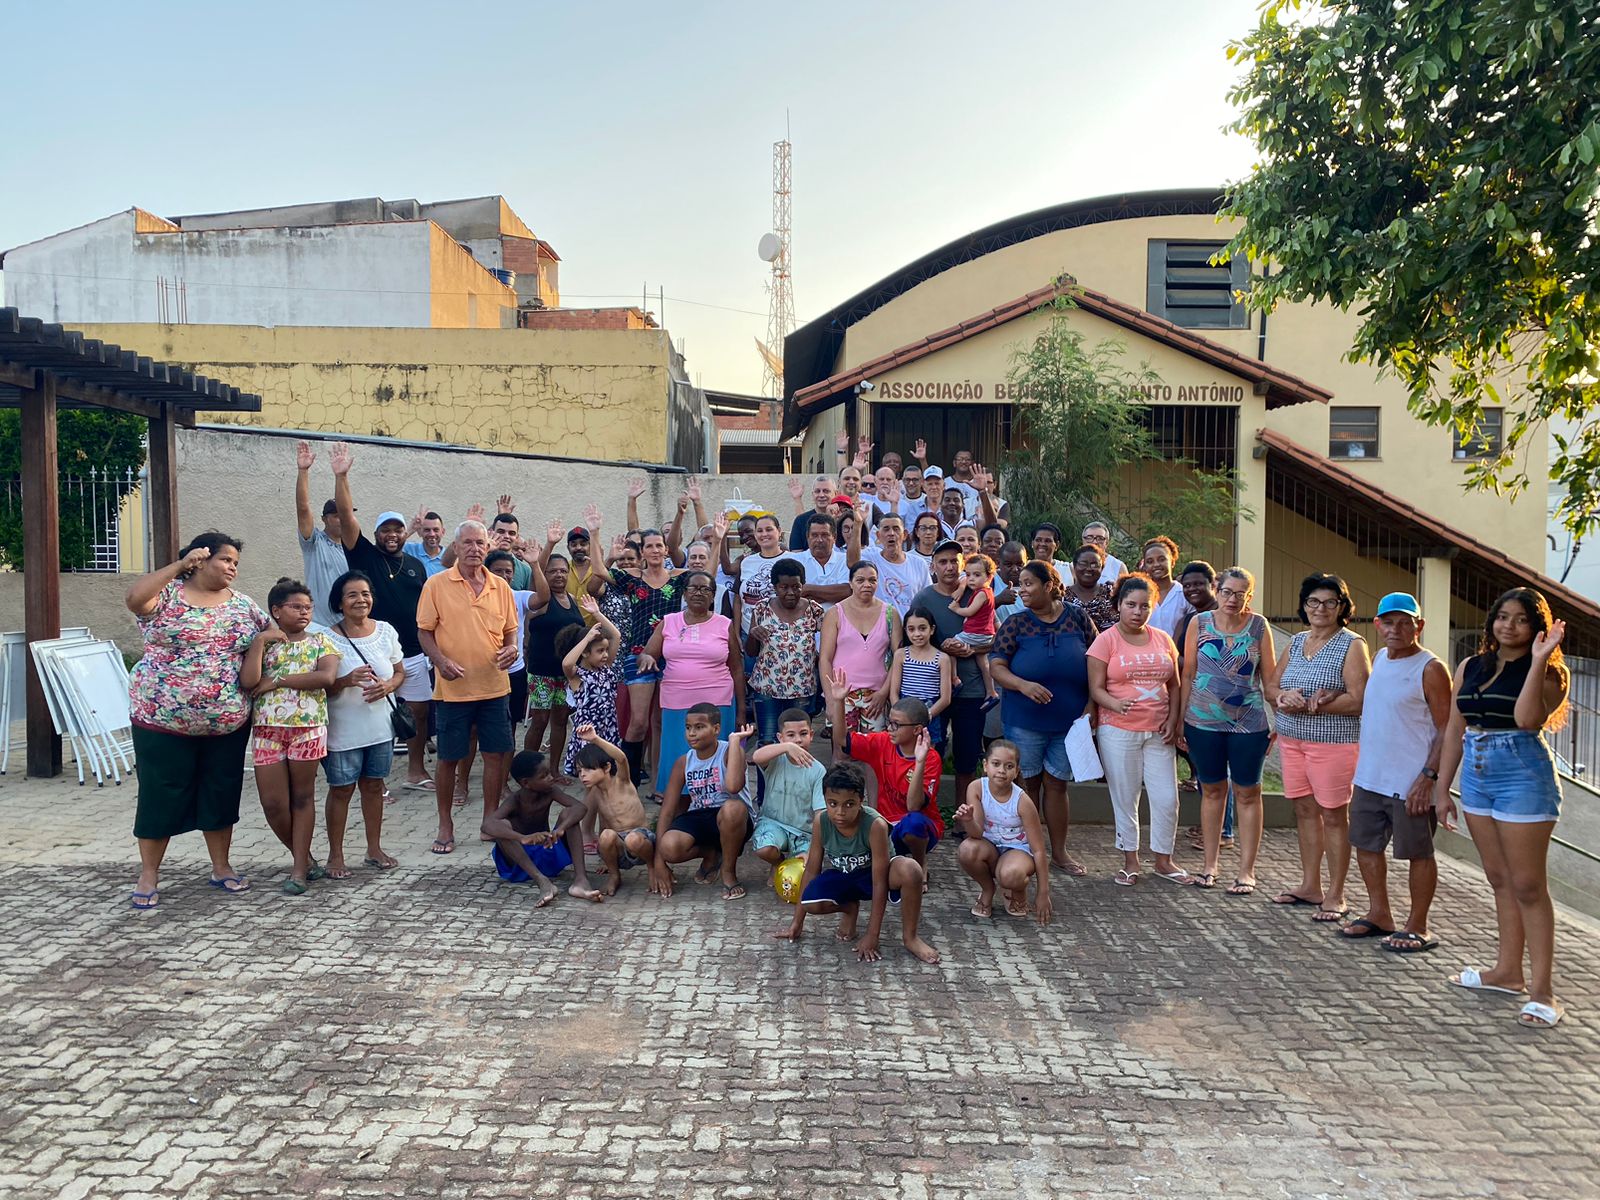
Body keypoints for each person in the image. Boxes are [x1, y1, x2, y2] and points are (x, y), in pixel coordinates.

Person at [1436, 588, 1570, 1028]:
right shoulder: (1471, 666)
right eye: (1502, 616)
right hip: (1476, 774)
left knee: (1528, 885)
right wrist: (1442, 789)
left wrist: (1536, 660)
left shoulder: (1550, 673)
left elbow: (1528, 720)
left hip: (1522, 774)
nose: (1508, 626)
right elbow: (1456, 727)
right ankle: (1507, 973)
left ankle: (1543, 991)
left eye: (1520, 619)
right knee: (1498, 879)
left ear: (1537, 627)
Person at [126, 533, 269, 909]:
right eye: (225, 560)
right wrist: (177, 566)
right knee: (160, 794)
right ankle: (149, 873)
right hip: (161, 721)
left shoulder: (243, 607)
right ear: (200, 559)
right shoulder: (168, 596)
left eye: (236, 563)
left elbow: (273, 635)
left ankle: (221, 867)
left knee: (220, 792)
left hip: (226, 724)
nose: (232, 568)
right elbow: (134, 599)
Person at [1344, 592, 1450, 950]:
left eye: (1406, 622)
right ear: (1377, 625)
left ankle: (1418, 926)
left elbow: (1447, 729)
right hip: (1370, 776)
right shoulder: (1379, 658)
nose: (1396, 629)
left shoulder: (1430, 668)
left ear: (1419, 626)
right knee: (1365, 845)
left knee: (1418, 852)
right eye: (1389, 622)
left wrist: (1427, 778)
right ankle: (1379, 915)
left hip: (1411, 783)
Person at [330, 444, 433, 794]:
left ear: (406, 534)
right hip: (370, 648)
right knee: (371, 713)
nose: (392, 535)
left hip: (413, 652)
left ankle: (415, 771)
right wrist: (342, 476)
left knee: (417, 715)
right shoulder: (364, 556)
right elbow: (346, 517)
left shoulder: (417, 565)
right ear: (376, 534)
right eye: (386, 530)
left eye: (398, 530)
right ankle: (376, 782)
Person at [1267, 573, 1370, 921]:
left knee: (1334, 816)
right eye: (1313, 601)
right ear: (1304, 605)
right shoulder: (1296, 642)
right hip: (1292, 739)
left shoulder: (1352, 644)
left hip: (1333, 744)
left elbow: (1359, 700)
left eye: (1329, 602)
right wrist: (1284, 697)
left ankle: (1337, 893)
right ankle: (1311, 886)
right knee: (1305, 812)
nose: (1321, 608)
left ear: (1342, 607)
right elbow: (1271, 686)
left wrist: (1316, 704)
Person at [415, 518, 520, 855]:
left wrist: (512, 647)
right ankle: (445, 824)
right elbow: (424, 632)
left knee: (494, 756)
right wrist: (440, 661)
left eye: (480, 543)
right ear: (456, 547)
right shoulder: (436, 584)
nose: (475, 549)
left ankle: (490, 820)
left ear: (488, 548)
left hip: (494, 687)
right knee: (448, 757)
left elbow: (510, 632)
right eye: (468, 543)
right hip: (453, 690)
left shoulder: (500, 587)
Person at [774, 762, 941, 964]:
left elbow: (879, 881)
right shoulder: (822, 821)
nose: (840, 812)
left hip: (878, 875)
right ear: (824, 800)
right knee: (812, 902)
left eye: (849, 804)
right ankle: (850, 908)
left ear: (861, 801)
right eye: (833, 803)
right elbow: (811, 870)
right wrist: (796, 923)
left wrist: (872, 935)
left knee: (911, 870)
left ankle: (911, 938)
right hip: (845, 874)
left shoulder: (874, 825)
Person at [989, 560, 1095, 874]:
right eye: (1019, 584)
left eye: (1027, 584)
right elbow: (996, 666)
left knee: (1058, 785)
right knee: (1027, 784)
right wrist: (1023, 685)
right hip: (1024, 721)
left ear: (1048, 585)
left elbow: (1098, 661)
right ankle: (1030, 851)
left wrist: (1092, 707)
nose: (1021, 590)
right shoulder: (1016, 624)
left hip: (1069, 721)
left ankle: (1059, 853)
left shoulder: (1077, 618)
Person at [1177, 567, 1277, 892]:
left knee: (1248, 793)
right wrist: (1180, 719)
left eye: (1240, 594)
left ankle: (1247, 871)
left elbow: (1270, 680)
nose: (1232, 599)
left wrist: (1279, 723)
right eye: (1227, 592)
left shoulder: (1259, 626)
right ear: (1217, 590)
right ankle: (1209, 865)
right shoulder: (1199, 623)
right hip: (1202, 722)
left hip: (1248, 724)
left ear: (1250, 595)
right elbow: (1188, 674)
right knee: (1212, 790)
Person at [241, 578, 341, 895]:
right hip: (267, 730)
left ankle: (298, 869)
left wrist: (279, 680)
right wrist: (259, 642)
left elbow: (325, 677)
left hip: (307, 729)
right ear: (276, 610)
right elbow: (249, 680)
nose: (304, 613)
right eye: (295, 607)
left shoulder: (322, 642)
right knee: (273, 804)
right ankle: (306, 859)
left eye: (308, 608)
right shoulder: (264, 644)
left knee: (302, 798)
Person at [1087, 574, 1187, 886]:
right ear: (1119, 605)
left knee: (1167, 797)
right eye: (1131, 605)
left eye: (1145, 606)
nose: (1138, 612)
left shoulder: (1163, 639)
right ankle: (1130, 860)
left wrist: (1173, 720)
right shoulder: (1106, 641)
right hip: (1118, 731)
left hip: (1159, 732)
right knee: (1126, 797)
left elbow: (1175, 684)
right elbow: (1095, 688)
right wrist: (1114, 705)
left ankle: (1163, 860)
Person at [323, 570, 404, 878]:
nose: (361, 600)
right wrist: (346, 680)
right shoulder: (327, 637)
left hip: (381, 726)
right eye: (352, 595)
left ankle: (374, 848)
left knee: (373, 787)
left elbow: (399, 672)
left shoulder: (385, 631)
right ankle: (336, 855)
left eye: (366, 593)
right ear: (339, 603)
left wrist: (388, 686)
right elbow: (324, 686)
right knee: (341, 790)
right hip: (343, 729)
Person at [595, 524, 687, 795]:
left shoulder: (678, 578)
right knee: (638, 724)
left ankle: (660, 785)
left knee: (660, 723)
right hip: (637, 655)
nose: (655, 550)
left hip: (670, 656)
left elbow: (705, 574)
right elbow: (600, 571)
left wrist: (717, 542)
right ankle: (628, 784)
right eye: (650, 546)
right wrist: (595, 532)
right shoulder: (632, 578)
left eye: (659, 545)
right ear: (643, 552)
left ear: (666, 550)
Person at [823, 667, 943, 873]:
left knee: (913, 823)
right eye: (889, 723)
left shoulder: (930, 758)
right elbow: (842, 740)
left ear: (916, 730)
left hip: (919, 825)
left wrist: (920, 762)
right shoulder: (882, 742)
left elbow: (914, 806)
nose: (890, 729)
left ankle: (919, 863)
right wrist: (839, 701)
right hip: (884, 822)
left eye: (897, 725)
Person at [639, 570, 745, 795]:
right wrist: (647, 658)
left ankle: (715, 797)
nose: (699, 593)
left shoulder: (724, 624)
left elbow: (736, 668)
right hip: (677, 700)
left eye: (705, 589)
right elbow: (648, 652)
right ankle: (676, 795)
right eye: (693, 588)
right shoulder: (668, 622)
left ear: (713, 595)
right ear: (684, 594)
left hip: (717, 701)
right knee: (677, 751)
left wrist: (742, 710)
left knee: (715, 755)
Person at [911, 540, 988, 810]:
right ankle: (928, 814)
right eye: (942, 562)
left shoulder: (977, 594)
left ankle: (962, 816)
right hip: (933, 691)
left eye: (954, 561)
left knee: (967, 757)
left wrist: (971, 647)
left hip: (972, 688)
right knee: (932, 753)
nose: (949, 567)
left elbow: (994, 636)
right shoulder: (923, 598)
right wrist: (942, 647)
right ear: (933, 566)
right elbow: (914, 639)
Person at [650, 707, 758, 900]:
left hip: (733, 818)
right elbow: (667, 811)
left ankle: (729, 872)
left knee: (732, 808)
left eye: (699, 727)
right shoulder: (683, 762)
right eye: (688, 727)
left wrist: (735, 741)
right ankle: (711, 853)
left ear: (716, 729)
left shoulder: (731, 751)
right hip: (700, 815)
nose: (692, 733)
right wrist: (659, 861)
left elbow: (733, 787)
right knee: (668, 847)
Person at [482, 749, 602, 905]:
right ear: (526, 783)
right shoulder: (515, 800)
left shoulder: (551, 792)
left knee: (569, 816)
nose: (551, 778)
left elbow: (580, 808)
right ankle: (542, 881)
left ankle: (580, 880)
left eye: (550, 773)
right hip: (520, 863)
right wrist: (522, 838)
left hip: (547, 852)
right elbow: (487, 825)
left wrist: (560, 829)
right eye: (544, 776)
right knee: (501, 827)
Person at [954, 739, 1052, 921]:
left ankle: (1017, 889)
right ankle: (988, 889)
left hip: (1018, 851)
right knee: (967, 849)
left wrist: (1043, 893)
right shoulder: (976, 788)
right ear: (985, 765)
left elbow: (1038, 850)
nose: (1001, 771)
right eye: (996, 764)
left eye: (1008, 766)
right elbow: (976, 834)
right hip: (989, 847)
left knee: (1009, 875)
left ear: (1016, 771)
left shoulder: (1023, 801)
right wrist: (967, 821)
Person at [745, 559, 825, 745]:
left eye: (796, 587)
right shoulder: (762, 609)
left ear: (802, 585)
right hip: (767, 689)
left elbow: (826, 646)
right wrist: (753, 635)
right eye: (783, 587)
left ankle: (796, 775)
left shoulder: (814, 610)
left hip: (802, 689)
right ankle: (767, 776)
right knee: (767, 741)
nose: (790, 592)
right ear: (774, 587)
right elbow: (750, 652)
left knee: (797, 743)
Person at [573, 726, 659, 894]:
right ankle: (614, 875)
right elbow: (604, 824)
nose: (582, 775)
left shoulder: (622, 781)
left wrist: (595, 739)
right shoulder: (595, 793)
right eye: (579, 771)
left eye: (588, 769)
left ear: (606, 768)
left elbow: (621, 759)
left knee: (633, 839)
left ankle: (653, 867)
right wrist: (606, 858)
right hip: (620, 845)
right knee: (605, 836)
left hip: (641, 840)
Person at [819, 561, 901, 735]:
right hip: (842, 693)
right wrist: (830, 699)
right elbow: (825, 658)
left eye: (872, 580)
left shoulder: (890, 613)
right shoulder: (835, 613)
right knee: (842, 750)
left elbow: (898, 657)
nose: (867, 585)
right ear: (850, 583)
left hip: (876, 695)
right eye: (860, 580)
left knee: (872, 752)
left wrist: (884, 692)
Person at [523, 546, 585, 756]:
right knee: (539, 720)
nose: (559, 574)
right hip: (542, 672)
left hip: (565, 673)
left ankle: (554, 770)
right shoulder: (540, 600)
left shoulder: (573, 601)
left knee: (560, 720)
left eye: (563, 571)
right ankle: (529, 769)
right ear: (545, 574)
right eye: (553, 571)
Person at [748, 708, 827, 872]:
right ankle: (778, 864)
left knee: (806, 871)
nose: (797, 740)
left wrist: (814, 849)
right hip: (773, 823)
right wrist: (786, 747)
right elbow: (756, 757)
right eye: (791, 735)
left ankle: (797, 857)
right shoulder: (776, 759)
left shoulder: (818, 770)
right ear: (780, 737)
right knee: (764, 849)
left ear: (811, 735)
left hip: (804, 832)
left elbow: (820, 813)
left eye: (803, 734)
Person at [556, 596, 623, 775]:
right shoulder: (578, 675)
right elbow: (566, 664)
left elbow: (616, 635)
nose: (605, 655)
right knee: (592, 774)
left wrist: (597, 614)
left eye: (606, 650)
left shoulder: (606, 668)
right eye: (600, 651)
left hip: (609, 728)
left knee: (608, 773)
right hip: (589, 732)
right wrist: (586, 639)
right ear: (585, 653)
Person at [293, 441, 348, 628]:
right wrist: (303, 471)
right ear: (324, 519)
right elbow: (303, 508)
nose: (341, 519)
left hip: (348, 630)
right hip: (318, 627)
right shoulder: (314, 543)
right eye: (335, 515)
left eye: (344, 515)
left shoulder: (354, 549)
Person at [847, 509, 930, 619]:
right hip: (877, 630)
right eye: (886, 529)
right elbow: (852, 563)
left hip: (909, 631)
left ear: (904, 534)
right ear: (878, 535)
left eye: (896, 529)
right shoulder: (871, 558)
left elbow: (927, 599)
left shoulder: (919, 564)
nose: (891, 533)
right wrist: (858, 524)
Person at [891, 607, 954, 749]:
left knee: (927, 752)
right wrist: (899, 714)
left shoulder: (942, 658)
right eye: (911, 629)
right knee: (902, 751)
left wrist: (927, 715)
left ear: (931, 630)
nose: (917, 634)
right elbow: (894, 691)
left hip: (930, 710)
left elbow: (945, 698)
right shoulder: (901, 655)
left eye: (922, 628)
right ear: (905, 631)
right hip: (904, 710)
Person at [945, 552, 998, 700]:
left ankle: (954, 678)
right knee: (983, 662)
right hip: (985, 634)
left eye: (976, 575)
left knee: (950, 647)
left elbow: (970, 611)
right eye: (968, 575)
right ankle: (991, 692)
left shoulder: (982, 593)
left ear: (989, 577)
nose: (971, 579)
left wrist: (956, 609)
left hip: (975, 633)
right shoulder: (988, 592)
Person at [786, 512, 851, 609]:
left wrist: (808, 589)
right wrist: (833, 595)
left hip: (840, 620)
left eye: (825, 535)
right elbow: (793, 595)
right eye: (814, 535)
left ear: (834, 537)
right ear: (807, 537)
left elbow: (847, 591)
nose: (819, 540)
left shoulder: (845, 560)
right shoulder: (795, 561)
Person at [1142, 536, 1193, 639]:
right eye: (1150, 561)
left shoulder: (1184, 594)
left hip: (1177, 653)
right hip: (1146, 654)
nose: (1156, 564)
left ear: (1172, 562)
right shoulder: (1141, 595)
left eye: (1161, 559)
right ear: (1145, 566)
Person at [1064, 544, 1117, 632]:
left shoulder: (1112, 593)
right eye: (1083, 564)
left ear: (1102, 568)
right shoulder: (1063, 596)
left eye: (1094, 565)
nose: (1088, 569)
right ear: (1074, 566)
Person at [788, 476, 836, 550]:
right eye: (817, 491)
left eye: (826, 491)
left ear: (835, 493)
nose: (821, 495)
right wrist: (797, 499)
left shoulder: (841, 519)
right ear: (812, 494)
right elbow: (796, 552)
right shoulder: (800, 520)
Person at [403, 508, 448, 577]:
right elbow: (385, 549)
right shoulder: (409, 550)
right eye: (427, 530)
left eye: (436, 530)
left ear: (443, 532)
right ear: (420, 532)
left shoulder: (449, 558)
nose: (432, 534)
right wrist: (411, 530)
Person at [1081, 521, 1126, 587]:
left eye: (1100, 538)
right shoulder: (1075, 565)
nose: (1095, 542)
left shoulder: (1118, 567)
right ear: (1083, 541)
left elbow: (1126, 594)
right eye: (1089, 537)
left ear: (1107, 542)